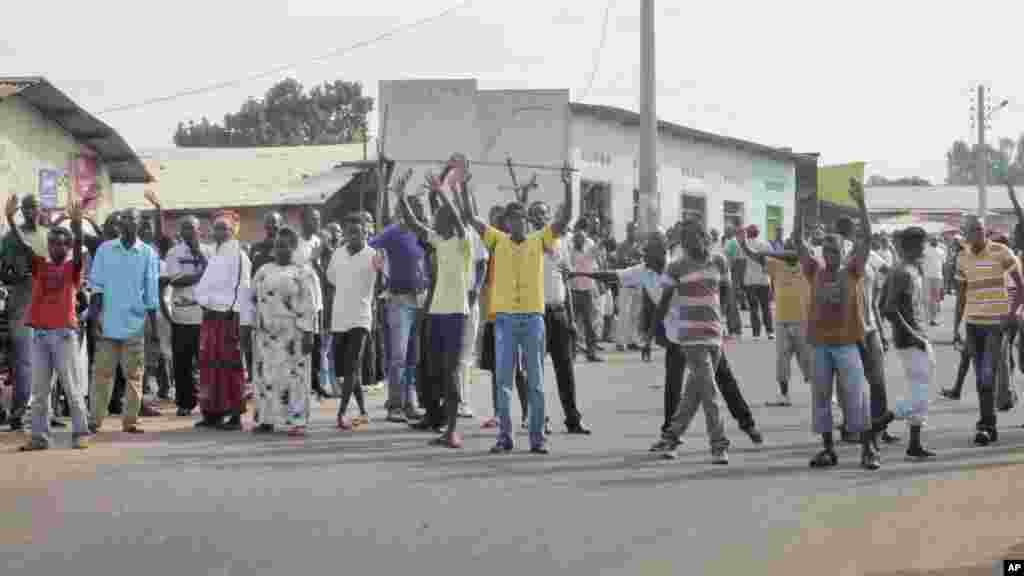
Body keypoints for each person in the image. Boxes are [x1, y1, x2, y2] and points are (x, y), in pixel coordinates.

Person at [461, 162, 574, 454]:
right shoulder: (497, 240)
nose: (517, 223)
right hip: (506, 320)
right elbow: (469, 217)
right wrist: (463, 185)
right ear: (507, 223)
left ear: (526, 220)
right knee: (503, 381)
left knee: (535, 382)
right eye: (511, 219)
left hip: (534, 319)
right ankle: (504, 437)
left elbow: (565, 219)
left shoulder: (540, 239)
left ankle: (537, 438)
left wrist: (568, 186)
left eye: (520, 218)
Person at [798, 179, 879, 470]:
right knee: (821, 398)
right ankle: (828, 449)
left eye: (835, 248)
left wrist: (862, 204)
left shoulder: (852, 271)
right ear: (822, 252)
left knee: (857, 397)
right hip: (821, 346)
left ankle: (869, 448)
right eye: (826, 248)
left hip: (846, 346)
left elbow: (867, 239)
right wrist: (799, 208)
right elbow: (799, 244)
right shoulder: (815, 272)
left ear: (842, 252)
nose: (830, 252)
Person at [396, 167, 472, 448]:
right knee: (439, 371)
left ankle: (452, 430)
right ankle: (445, 426)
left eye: (439, 217)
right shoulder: (439, 242)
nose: (434, 221)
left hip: (455, 314)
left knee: (450, 372)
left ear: (449, 222)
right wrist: (401, 195)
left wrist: (443, 193)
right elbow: (414, 223)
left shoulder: (464, 243)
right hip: (436, 313)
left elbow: (461, 220)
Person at [6, 197, 89, 450]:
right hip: (41, 335)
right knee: (39, 393)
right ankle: (40, 438)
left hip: (64, 335)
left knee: (72, 388)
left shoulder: (72, 269)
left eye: (61, 243)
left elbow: (78, 251)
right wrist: (10, 219)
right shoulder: (40, 265)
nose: (55, 246)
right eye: (52, 242)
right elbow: (22, 244)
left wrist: (76, 225)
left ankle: (80, 433)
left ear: (68, 246)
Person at [648, 219, 731, 464]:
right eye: (683, 240)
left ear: (703, 237)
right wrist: (653, 332)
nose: (685, 244)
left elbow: (726, 293)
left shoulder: (719, 261)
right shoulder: (676, 267)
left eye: (690, 238)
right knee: (710, 392)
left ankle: (672, 438)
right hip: (691, 338)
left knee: (693, 394)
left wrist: (723, 317)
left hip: (714, 335)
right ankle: (719, 444)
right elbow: (663, 301)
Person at [88, 209, 160, 434]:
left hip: (135, 324)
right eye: (124, 219)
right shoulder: (105, 250)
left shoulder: (148, 253)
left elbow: (151, 294)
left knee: (134, 376)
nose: (126, 223)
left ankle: (130, 421)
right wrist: (94, 318)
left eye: (131, 219)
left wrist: (153, 328)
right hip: (107, 322)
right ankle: (95, 420)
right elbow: (96, 287)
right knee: (102, 374)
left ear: (140, 224)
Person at [953, 214, 1023, 446]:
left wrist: (1011, 313)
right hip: (973, 325)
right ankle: (987, 424)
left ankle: (986, 425)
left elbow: (1020, 286)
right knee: (981, 378)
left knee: (986, 374)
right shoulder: (961, 258)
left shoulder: (1002, 252)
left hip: (995, 325)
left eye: (981, 230)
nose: (978, 235)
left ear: (986, 231)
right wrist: (956, 327)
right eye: (973, 230)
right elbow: (962, 296)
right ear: (966, 234)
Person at [875, 226, 935, 460]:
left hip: (915, 337)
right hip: (912, 341)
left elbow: (881, 305)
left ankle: (914, 444)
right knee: (919, 396)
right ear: (913, 245)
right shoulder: (903, 272)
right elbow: (889, 309)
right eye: (923, 244)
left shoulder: (909, 269)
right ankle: (876, 426)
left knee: (918, 392)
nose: (925, 248)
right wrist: (915, 336)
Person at [251, 227, 318, 436]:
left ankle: (297, 421)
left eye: (284, 245)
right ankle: (266, 420)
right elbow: (251, 300)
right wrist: (249, 327)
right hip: (266, 335)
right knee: (266, 378)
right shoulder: (263, 271)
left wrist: (309, 333)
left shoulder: (303, 272)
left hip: (293, 335)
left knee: (295, 379)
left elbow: (310, 305)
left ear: (293, 247)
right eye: (277, 245)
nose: (279, 249)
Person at [370, 191, 428, 423]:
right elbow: (370, 248)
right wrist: (380, 274)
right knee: (398, 356)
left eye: (421, 208)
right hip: (399, 301)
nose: (421, 212)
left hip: (420, 300)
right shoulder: (393, 233)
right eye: (417, 208)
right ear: (406, 210)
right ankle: (395, 405)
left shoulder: (422, 234)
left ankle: (410, 403)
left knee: (413, 356)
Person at [193, 211, 251, 431]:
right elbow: (207, 285)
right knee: (209, 366)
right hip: (211, 316)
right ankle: (213, 413)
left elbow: (242, 288)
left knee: (231, 366)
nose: (218, 231)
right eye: (216, 227)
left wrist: (235, 314)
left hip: (228, 317)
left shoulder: (238, 254)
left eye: (223, 228)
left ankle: (235, 416)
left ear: (232, 230)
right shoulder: (216, 254)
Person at [738, 234, 809, 407]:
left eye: (793, 246)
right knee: (782, 361)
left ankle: (826, 394)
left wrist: (777, 253)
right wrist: (743, 244)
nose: (789, 250)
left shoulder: (808, 265)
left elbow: (793, 254)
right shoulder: (776, 265)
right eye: (787, 245)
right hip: (782, 321)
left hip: (803, 321)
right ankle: (784, 396)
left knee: (809, 361)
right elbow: (756, 256)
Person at [327, 213, 384, 430]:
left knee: (351, 366)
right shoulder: (337, 254)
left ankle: (341, 414)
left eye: (357, 232)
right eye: (349, 232)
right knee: (345, 372)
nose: (353, 236)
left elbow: (383, 281)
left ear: (365, 233)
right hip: (339, 318)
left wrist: (381, 268)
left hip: (360, 318)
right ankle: (363, 411)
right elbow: (331, 278)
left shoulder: (373, 255)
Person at [0, 194, 48, 431]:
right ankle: (18, 413)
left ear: (40, 209)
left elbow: (35, 256)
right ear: (23, 211)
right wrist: (14, 278)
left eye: (34, 207)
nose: (31, 212)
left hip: (48, 298)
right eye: (26, 208)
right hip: (22, 298)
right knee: (24, 360)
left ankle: (46, 411)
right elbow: (2, 269)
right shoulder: (9, 236)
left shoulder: (49, 235)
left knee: (50, 358)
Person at [162, 213, 210, 417]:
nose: (189, 232)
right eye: (185, 228)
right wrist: (201, 275)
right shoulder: (173, 253)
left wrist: (201, 257)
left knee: (206, 363)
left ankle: (209, 403)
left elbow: (215, 279)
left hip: (205, 316)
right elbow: (175, 280)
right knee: (182, 362)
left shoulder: (209, 251)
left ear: (199, 230)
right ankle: (185, 402)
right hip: (181, 316)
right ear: (180, 232)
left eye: (192, 228)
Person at [740, 224, 774, 340]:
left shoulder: (744, 245)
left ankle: (756, 334)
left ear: (748, 233)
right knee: (766, 307)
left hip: (750, 281)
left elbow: (741, 263)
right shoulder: (765, 244)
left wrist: (740, 282)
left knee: (753, 308)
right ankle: (770, 332)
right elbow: (771, 261)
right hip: (764, 280)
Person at [923, 237, 946, 326]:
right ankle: (929, 318)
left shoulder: (941, 251)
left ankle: (934, 319)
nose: (935, 241)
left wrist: (943, 278)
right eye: (933, 240)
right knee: (928, 298)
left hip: (938, 277)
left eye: (936, 240)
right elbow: (921, 262)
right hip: (928, 276)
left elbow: (943, 264)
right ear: (930, 241)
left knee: (936, 299)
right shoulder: (925, 251)